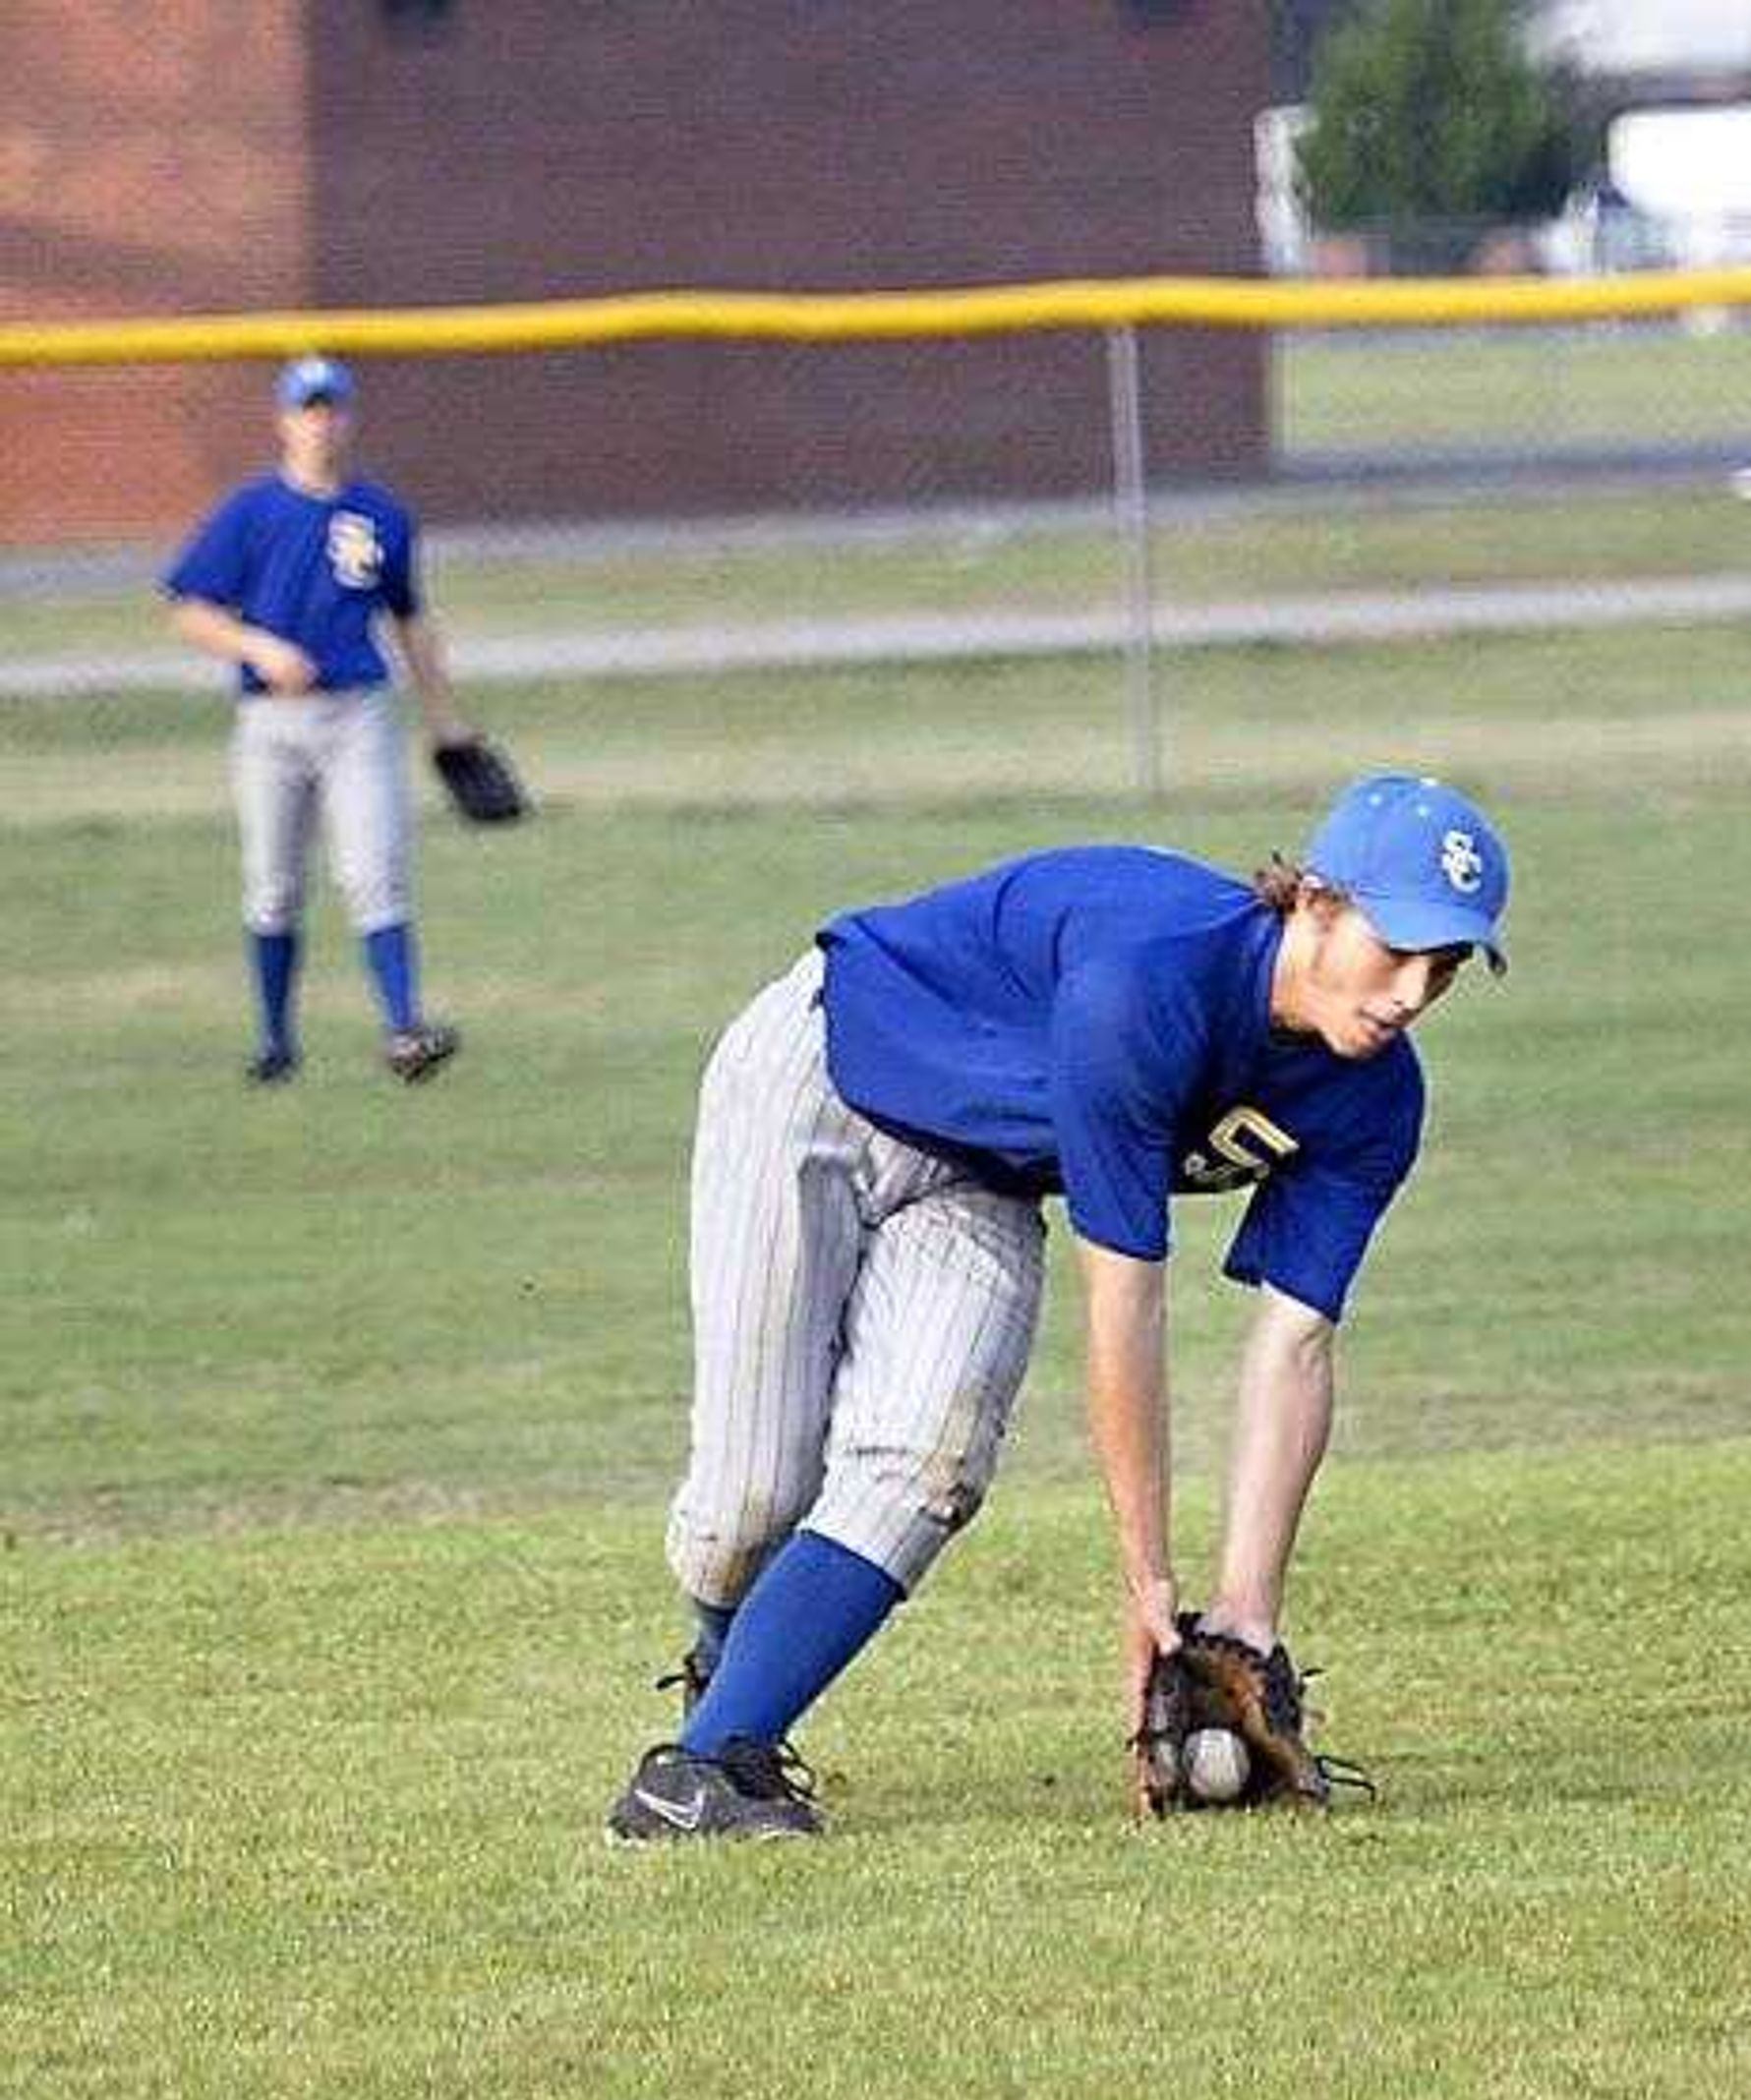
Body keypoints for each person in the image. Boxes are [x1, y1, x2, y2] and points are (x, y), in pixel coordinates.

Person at [605, 773, 1512, 1842]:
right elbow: (1125, 1307)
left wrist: (1243, 1616)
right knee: (746, 1498)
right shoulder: (1153, 985)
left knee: (927, 1463)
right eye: (1395, 945)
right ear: (1314, 902)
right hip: (820, 1077)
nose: (1412, 989)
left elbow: (1296, 1344)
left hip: (980, 1172)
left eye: (1444, 963)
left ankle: (703, 1765)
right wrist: (1147, 1583)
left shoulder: (1375, 1098)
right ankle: (725, 1670)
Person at [160, 354, 474, 1084]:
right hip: (270, 723)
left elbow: (411, 621)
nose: (320, 423)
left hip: (356, 712)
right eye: (308, 409)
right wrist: (256, 646)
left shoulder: (380, 515)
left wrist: (446, 721)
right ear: (283, 420)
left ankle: (404, 1029)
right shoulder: (251, 511)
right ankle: (275, 1045)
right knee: (272, 883)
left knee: (375, 871)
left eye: (331, 409)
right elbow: (188, 608)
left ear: (349, 418)